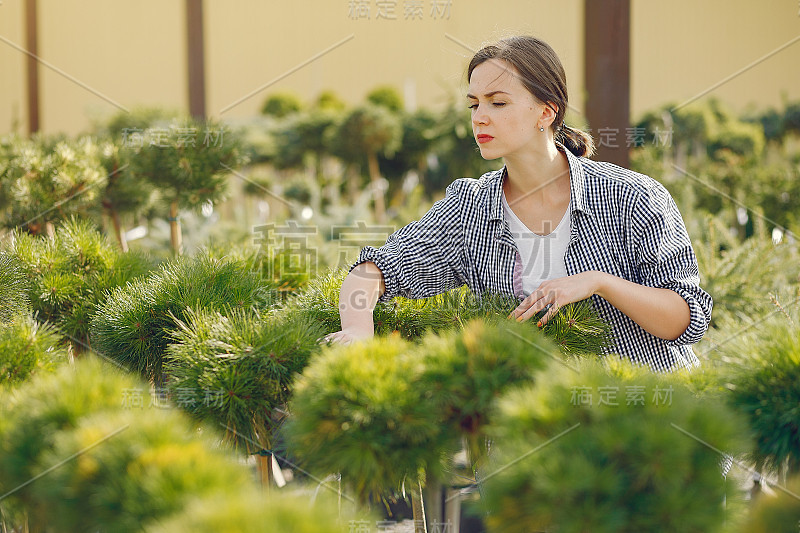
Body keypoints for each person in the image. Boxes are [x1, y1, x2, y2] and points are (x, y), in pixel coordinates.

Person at [324, 35, 712, 372]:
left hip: (646, 424)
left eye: (498, 103)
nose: (481, 118)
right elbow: (376, 269)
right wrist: (358, 330)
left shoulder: (632, 197)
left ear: (546, 111)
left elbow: (685, 319)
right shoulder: (470, 208)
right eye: (474, 104)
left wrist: (598, 283)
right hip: (529, 434)